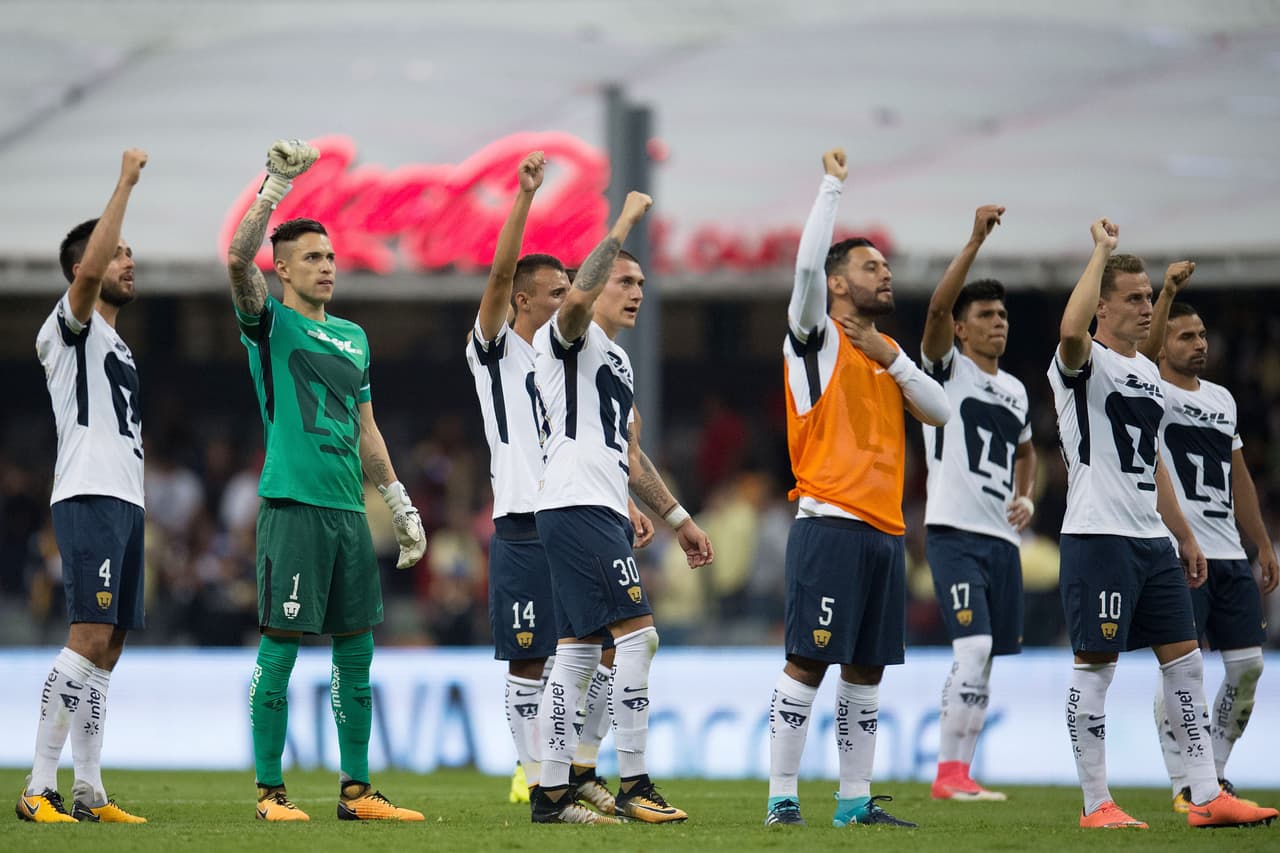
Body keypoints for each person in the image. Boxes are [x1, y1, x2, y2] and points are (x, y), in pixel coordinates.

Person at [1047, 221, 1277, 829]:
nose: (1148, 306)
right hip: (1097, 535)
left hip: (1151, 539)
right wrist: (1098, 249)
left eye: (1151, 297)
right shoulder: (1081, 361)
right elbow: (1071, 330)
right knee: (1095, 667)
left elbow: (1153, 463)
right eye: (1136, 298)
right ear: (1103, 305)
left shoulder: (1147, 375)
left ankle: (1205, 794)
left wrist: (1184, 532)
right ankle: (1096, 803)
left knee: (1186, 663)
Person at [226, 139, 427, 822]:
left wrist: (397, 500)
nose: (327, 267)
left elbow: (367, 428)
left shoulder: (355, 336)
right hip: (292, 503)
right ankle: (268, 790)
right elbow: (233, 258)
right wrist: (274, 189)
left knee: (357, 653)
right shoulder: (269, 324)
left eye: (331, 257)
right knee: (280, 649)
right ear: (281, 269)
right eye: (312, 257)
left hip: (347, 510)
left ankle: (357, 788)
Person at [764, 148, 951, 829]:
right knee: (809, 660)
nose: (886, 272)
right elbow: (808, 265)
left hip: (886, 530)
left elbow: (941, 410)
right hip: (830, 522)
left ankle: (852, 801)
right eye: (872, 266)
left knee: (867, 670)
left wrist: (893, 355)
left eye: (885, 265)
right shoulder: (814, 340)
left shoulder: (882, 352)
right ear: (839, 283)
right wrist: (832, 186)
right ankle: (783, 796)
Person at [465, 151, 647, 815]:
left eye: (572, 286)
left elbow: (602, 441)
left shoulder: (579, 358)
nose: (567, 295)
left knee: (598, 649)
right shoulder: (496, 347)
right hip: (520, 518)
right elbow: (495, 275)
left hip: (575, 511)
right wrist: (523, 197)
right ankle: (529, 770)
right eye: (554, 290)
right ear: (521, 300)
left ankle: (574, 766)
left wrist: (626, 498)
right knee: (529, 657)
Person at [530, 191, 714, 825]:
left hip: (597, 506)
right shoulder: (566, 338)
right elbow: (576, 298)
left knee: (581, 651)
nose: (638, 291)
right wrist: (626, 222)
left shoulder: (620, 361)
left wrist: (678, 519)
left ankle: (554, 793)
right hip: (572, 504)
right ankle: (635, 782)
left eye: (642, 282)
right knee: (641, 637)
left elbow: (630, 457)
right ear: (597, 283)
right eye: (626, 280)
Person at [21, 149, 150, 825]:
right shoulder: (68, 327)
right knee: (87, 633)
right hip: (89, 493)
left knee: (110, 646)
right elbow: (94, 268)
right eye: (118, 253)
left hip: (125, 500)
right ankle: (36, 786)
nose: (130, 263)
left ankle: (88, 791)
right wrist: (123, 184)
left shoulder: (117, 344)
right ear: (83, 269)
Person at [1137, 282, 1279, 812]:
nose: (1198, 344)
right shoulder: (1153, 388)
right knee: (1181, 666)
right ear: (1163, 343)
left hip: (1229, 553)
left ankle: (1213, 775)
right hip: (1179, 550)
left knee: (1247, 669)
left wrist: (1262, 544)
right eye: (1185, 335)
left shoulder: (1222, 399)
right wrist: (1167, 292)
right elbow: (1143, 352)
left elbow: (1238, 477)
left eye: (1202, 335)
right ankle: (1184, 782)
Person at [919, 206, 1035, 801]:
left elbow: (1026, 451)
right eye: (986, 315)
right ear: (962, 330)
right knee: (975, 647)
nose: (999, 324)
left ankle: (960, 773)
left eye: (1003, 316)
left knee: (985, 661)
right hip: (954, 532)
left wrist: (1027, 497)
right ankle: (947, 774)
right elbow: (937, 309)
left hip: (1002, 539)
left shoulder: (1014, 389)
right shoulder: (947, 372)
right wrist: (972, 242)